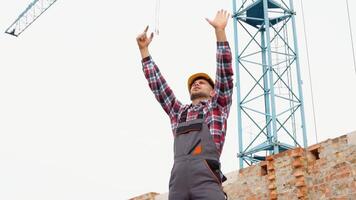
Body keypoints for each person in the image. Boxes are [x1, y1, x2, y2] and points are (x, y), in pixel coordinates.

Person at [136, 9, 233, 200]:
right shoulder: (178, 111)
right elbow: (158, 86)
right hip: (178, 180)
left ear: (213, 91)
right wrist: (144, 51)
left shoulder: (218, 106)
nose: (196, 83)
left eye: (202, 82)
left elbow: (225, 73)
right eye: (193, 84)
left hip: (206, 179)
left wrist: (219, 32)